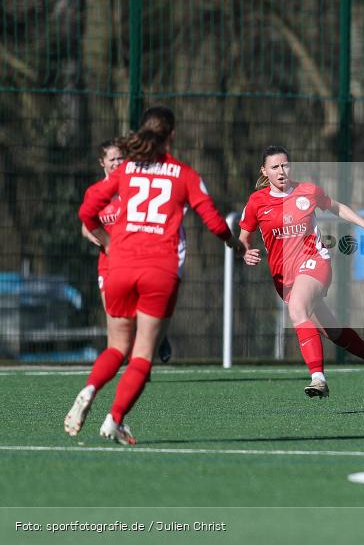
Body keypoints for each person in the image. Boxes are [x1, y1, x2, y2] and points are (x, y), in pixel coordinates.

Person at [67, 105, 245, 445]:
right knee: (143, 354)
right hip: (159, 271)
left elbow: (87, 210)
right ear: (172, 136)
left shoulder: (127, 170)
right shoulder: (184, 174)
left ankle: (89, 389)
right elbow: (213, 220)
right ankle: (114, 420)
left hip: (119, 267)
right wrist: (232, 243)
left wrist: (108, 243)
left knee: (116, 346)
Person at [238, 146, 364, 398]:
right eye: (275, 167)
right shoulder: (257, 202)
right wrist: (245, 252)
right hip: (284, 277)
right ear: (264, 171)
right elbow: (244, 238)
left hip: (315, 262)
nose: (281, 171)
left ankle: (318, 378)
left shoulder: (307, 191)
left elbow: (337, 207)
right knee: (332, 331)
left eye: (285, 165)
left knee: (297, 308)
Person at [79, 136, 175, 365]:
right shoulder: (95, 192)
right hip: (108, 264)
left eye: (121, 158)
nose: (117, 162)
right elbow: (85, 226)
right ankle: (131, 356)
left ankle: (148, 349)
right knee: (115, 314)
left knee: (141, 310)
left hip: (135, 260)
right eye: (112, 159)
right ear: (102, 162)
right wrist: (99, 238)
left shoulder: (133, 187)